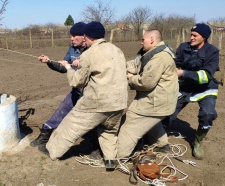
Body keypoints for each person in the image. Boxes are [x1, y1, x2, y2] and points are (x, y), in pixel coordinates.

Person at [38, 21, 128, 171]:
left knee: (70, 125)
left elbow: (77, 82)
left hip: (97, 102)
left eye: (83, 35)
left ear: (88, 36)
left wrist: (68, 67)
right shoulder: (116, 50)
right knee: (109, 132)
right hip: (119, 103)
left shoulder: (89, 54)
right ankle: (110, 160)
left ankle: (51, 150)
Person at [31, 22, 101, 158]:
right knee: (61, 111)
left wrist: (82, 63)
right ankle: (45, 135)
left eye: (75, 36)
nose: (72, 38)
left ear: (84, 37)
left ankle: (96, 146)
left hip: (91, 94)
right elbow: (64, 67)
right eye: (71, 36)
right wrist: (49, 62)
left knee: (91, 120)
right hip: (77, 91)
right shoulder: (72, 49)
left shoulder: (94, 50)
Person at [116, 29, 179, 159]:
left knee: (131, 121)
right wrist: (115, 65)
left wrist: (130, 77)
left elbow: (145, 83)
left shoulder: (159, 58)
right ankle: (161, 145)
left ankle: (119, 154)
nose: (140, 42)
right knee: (150, 121)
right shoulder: (154, 53)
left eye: (142, 39)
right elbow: (137, 65)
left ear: (152, 39)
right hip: (162, 102)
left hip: (155, 103)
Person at [163, 23, 220, 160]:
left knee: (208, 113)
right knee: (167, 110)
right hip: (185, 86)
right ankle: (159, 135)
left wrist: (183, 73)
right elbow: (175, 63)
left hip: (205, 88)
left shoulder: (212, 51)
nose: (191, 37)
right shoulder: (184, 47)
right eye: (191, 34)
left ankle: (198, 141)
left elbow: (205, 76)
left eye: (195, 35)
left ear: (204, 37)